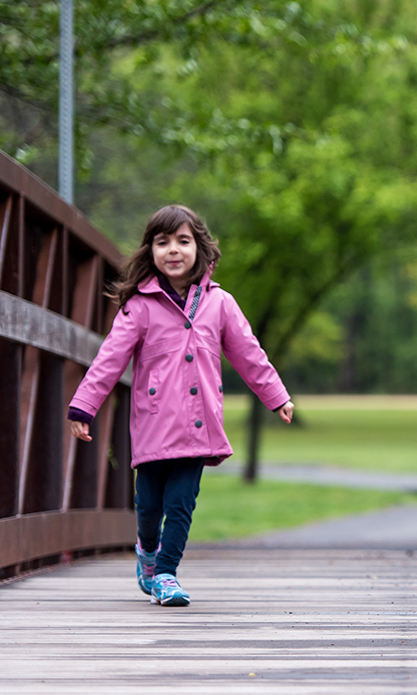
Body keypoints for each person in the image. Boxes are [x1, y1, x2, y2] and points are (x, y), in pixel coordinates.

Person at [68, 204, 294, 607]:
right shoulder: (139, 306)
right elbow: (109, 359)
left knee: (181, 503)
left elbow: (250, 355)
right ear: (150, 251)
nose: (174, 250)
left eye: (183, 241)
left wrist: (277, 396)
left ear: (200, 248)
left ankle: (167, 573)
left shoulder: (219, 303)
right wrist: (84, 407)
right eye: (163, 242)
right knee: (150, 504)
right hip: (153, 425)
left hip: (199, 426)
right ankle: (147, 552)